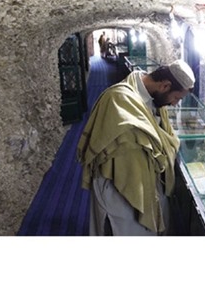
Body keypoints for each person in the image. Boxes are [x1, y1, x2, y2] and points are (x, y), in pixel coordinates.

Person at [76, 60, 195, 235]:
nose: (175, 103)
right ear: (165, 85)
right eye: (177, 97)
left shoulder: (152, 97)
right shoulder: (117, 100)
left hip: (147, 182)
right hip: (119, 186)